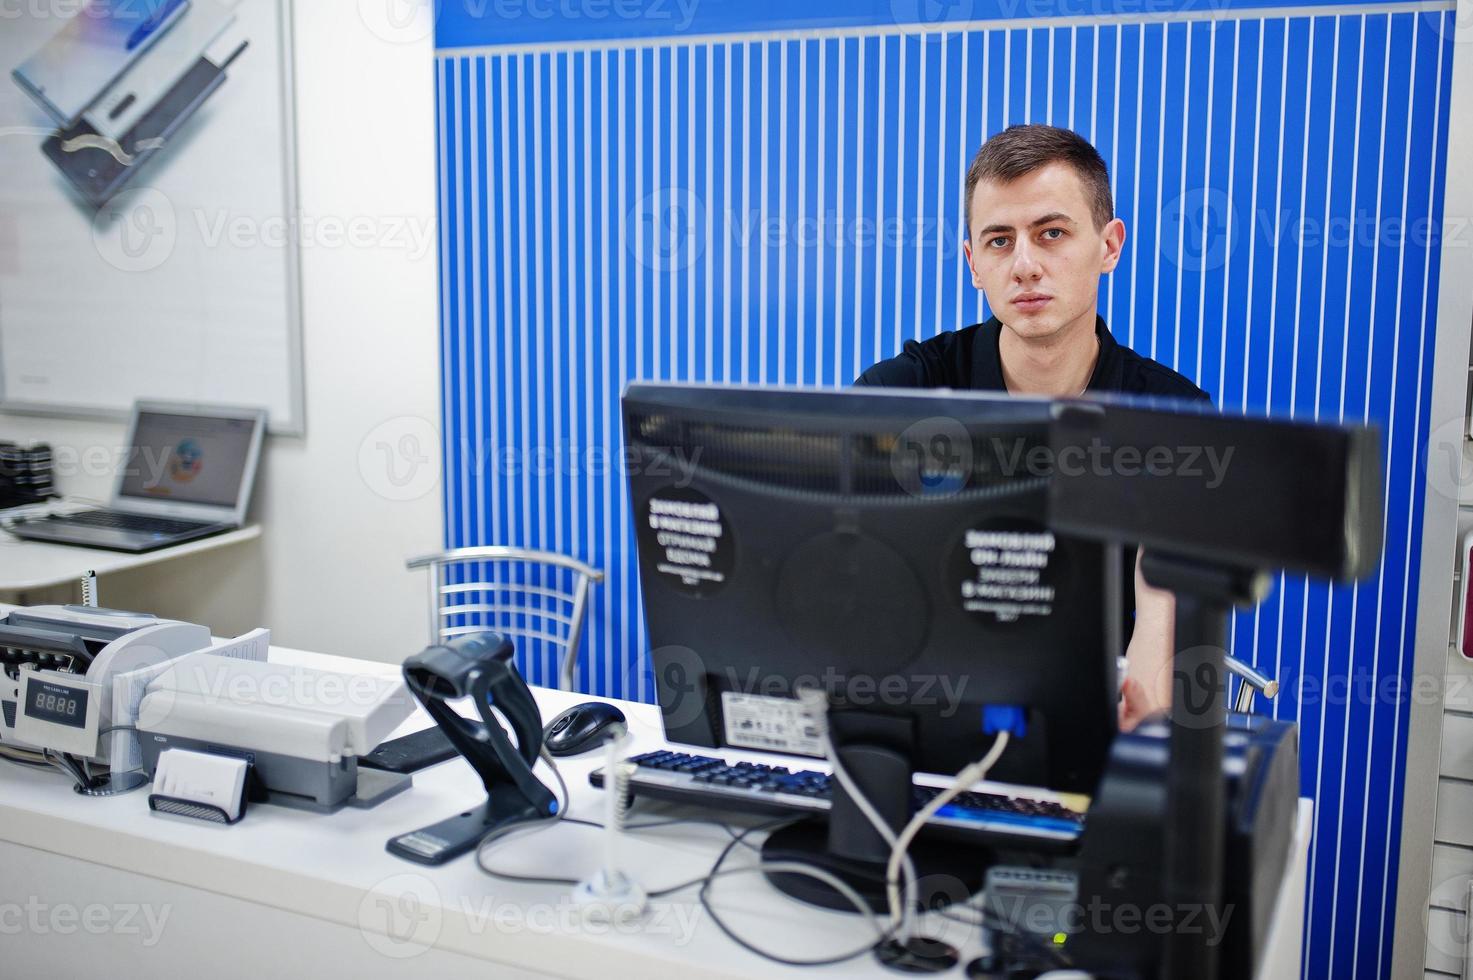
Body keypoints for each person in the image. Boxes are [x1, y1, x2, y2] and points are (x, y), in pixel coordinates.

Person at [856, 123, 1210, 730]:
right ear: (972, 262)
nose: (1024, 265)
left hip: (1093, 723)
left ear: (1109, 245)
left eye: (1051, 234)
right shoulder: (904, 394)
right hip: (923, 722)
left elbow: (1161, 613)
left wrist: (1139, 727)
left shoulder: (1169, 417)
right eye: (998, 241)